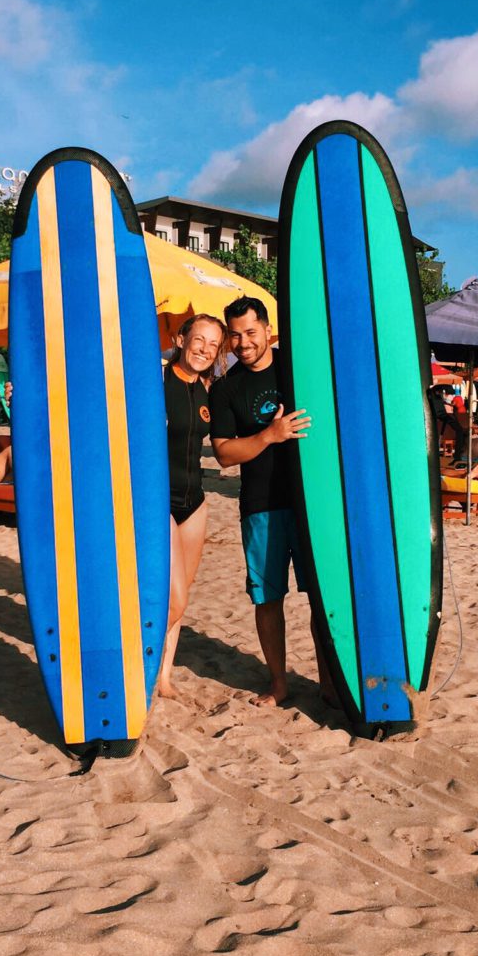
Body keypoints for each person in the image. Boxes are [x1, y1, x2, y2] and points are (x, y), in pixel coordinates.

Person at [209, 296, 336, 708]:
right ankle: (279, 683)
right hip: (261, 505)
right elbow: (225, 454)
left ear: (268, 330)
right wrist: (269, 435)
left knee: (322, 596)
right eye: (235, 335)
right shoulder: (227, 387)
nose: (243, 342)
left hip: (312, 501)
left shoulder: (297, 366)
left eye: (250, 332)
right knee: (267, 599)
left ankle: (330, 683)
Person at [159, 314, 227, 699]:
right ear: (181, 338)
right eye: (198, 339)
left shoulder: (207, 389)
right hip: (159, 502)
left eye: (213, 344)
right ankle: (139, 661)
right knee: (174, 596)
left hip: (195, 502)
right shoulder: (155, 381)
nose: (203, 349)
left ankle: (164, 676)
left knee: (183, 593)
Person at [430, 385, 465, 460]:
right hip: (444, 418)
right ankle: (457, 456)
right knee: (460, 431)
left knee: (460, 431)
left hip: (443, 418)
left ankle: (457, 455)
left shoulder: (436, 396)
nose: (451, 396)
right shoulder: (438, 398)